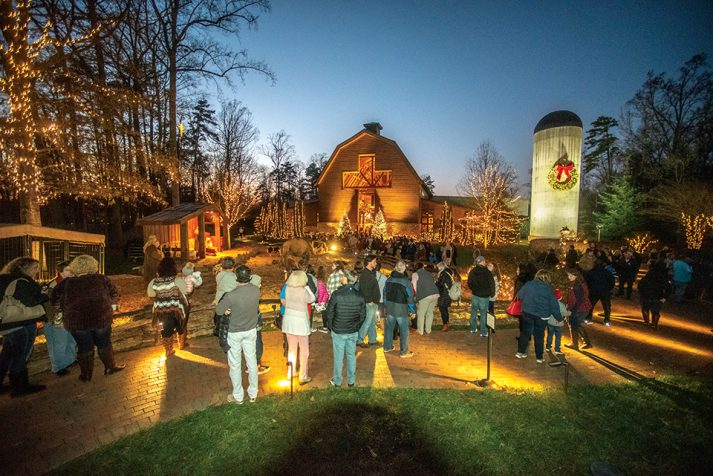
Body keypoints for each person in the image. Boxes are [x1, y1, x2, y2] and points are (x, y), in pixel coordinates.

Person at [52, 254, 124, 381]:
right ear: (93, 265)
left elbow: (54, 301)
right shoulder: (101, 279)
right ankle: (110, 367)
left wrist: (64, 308)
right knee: (104, 344)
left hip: (77, 322)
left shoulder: (66, 283)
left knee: (84, 348)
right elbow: (115, 293)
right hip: (101, 318)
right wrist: (111, 305)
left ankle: (86, 375)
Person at [0, 257, 48, 397]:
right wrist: (45, 295)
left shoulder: (5, 279)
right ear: (24, 268)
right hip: (21, 323)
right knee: (21, 355)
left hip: (7, 323)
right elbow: (30, 302)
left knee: (7, 355)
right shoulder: (21, 282)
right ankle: (20, 386)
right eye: (34, 268)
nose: (37, 271)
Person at [216, 265, 260, 404]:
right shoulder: (256, 291)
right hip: (250, 330)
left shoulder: (231, 295)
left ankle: (238, 396)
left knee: (235, 364)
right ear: (250, 277)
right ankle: (253, 393)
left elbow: (218, 310)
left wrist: (227, 310)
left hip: (234, 332)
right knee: (251, 362)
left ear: (236, 278)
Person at [325, 269, 365, 387]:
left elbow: (329, 313)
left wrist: (332, 326)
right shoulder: (360, 296)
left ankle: (337, 381)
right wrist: (356, 326)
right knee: (351, 355)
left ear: (346, 280)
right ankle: (351, 380)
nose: (341, 278)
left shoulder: (337, 294)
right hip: (352, 330)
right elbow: (362, 315)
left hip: (339, 330)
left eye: (343, 277)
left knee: (338, 357)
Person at [516, 269, 561, 363]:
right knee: (539, 336)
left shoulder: (529, 284)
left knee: (525, 333)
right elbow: (554, 305)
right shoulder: (548, 289)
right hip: (542, 316)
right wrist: (559, 318)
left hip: (527, 312)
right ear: (548, 278)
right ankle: (539, 357)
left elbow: (520, 295)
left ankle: (520, 352)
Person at [147, 257, 189, 357]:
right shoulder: (177, 280)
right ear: (173, 268)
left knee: (165, 328)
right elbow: (185, 291)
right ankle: (182, 344)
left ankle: (168, 350)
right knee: (181, 323)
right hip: (176, 309)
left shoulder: (154, 281)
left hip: (161, 310)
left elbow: (151, 294)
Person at [42, 260, 77, 376]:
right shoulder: (54, 285)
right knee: (58, 344)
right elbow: (51, 305)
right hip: (56, 319)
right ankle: (58, 367)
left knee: (70, 341)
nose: (71, 272)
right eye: (68, 270)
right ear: (60, 272)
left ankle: (69, 360)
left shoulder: (70, 283)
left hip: (68, 317)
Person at [281, 270, 316, 384]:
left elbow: (284, 302)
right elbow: (312, 299)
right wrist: (307, 288)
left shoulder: (288, 289)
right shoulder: (303, 291)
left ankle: (290, 373)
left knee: (292, 349)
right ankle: (303, 376)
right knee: (304, 350)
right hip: (300, 322)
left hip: (289, 320)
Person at [383, 261, 416, 358]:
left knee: (389, 328)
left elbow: (385, 293)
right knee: (404, 330)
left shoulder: (388, 280)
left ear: (395, 268)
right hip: (401, 309)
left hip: (390, 307)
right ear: (404, 269)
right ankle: (403, 352)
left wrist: (386, 305)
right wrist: (412, 310)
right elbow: (410, 297)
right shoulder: (406, 282)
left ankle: (387, 347)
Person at [247, 273, 271, 374]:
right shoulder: (253, 296)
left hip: (248, 325)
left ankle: (252, 365)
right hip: (254, 325)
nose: (260, 286)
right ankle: (256, 366)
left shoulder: (246, 293)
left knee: (250, 345)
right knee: (257, 344)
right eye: (259, 284)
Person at [563, 269, 592, 351]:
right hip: (582, 308)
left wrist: (572, 310)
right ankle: (586, 342)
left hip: (580, 309)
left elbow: (579, 300)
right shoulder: (578, 283)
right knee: (577, 325)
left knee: (574, 325)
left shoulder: (577, 286)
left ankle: (575, 344)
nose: (569, 277)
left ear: (576, 276)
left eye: (571, 276)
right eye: (568, 275)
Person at [638, 260, 671, 329]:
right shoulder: (664, 276)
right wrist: (665, 297)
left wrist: (642, 292)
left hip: (647, 295)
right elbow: (668, 288)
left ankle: (646, 322)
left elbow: (641, 283)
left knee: (645, 309)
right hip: (658, 296)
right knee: (655, 311)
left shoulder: (650, 274)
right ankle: (654, 324)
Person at [467, 256, 495, 337]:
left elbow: (469, 282)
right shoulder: (487, 272)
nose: (485, 262)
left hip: (475, 295)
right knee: (483, 314)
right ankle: (483, 332)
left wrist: (473, 289)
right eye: (484, 261)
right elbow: (491, 283)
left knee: (474, 312)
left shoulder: (473, 271)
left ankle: (473, 328)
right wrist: (492, 293)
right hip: (484, 296)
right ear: (482, 262)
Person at [357, 255, 381, 347]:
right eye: (374, 262)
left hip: (373, 302)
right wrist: (369, 300)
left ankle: (372, 340)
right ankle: (360, 340)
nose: (376, 263)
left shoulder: (371, 273)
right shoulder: (365, 274)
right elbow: (364, 289)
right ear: (369, 262)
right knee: (367, 322)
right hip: (369, 302)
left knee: (372, 322)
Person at [585, 259, 615, 326]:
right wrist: (608, 289)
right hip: (605, 292)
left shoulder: (590, 272)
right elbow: (612, 282)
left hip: (593, 292)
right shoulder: (607, 273)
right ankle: (607, 320)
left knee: (590, 306)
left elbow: (586, 282)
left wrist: (589, 289)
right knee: (606, 306)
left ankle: (588, 318)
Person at [412, 262, 439, 335]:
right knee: (430, 313)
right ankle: (428, 330)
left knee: (421, 313)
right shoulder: (429, 273)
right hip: (435, 294)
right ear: (423, 267)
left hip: (425, 295)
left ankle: (420, 330)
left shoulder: (415, 274)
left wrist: (415, 296)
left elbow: (414, 287)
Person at [435, 262, 454, 332]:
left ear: (441, 267)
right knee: (445, 309)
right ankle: (446, 323)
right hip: (447, 294)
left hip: (444, 294)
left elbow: (441, 284)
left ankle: (445, 325)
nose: (437, 269)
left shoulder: (443, 274)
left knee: (443, 310)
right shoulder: (448, 273)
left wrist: (436, 282)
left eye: (438, 267)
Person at [314, 266, 331, 333]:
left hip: (323, 299)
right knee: (326, 313)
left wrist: (320, 302)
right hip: (327, 298)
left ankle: (325, 327)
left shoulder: (319, 281)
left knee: (324, 314)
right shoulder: (326, 279)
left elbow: (320, 293)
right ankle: (327, 327)